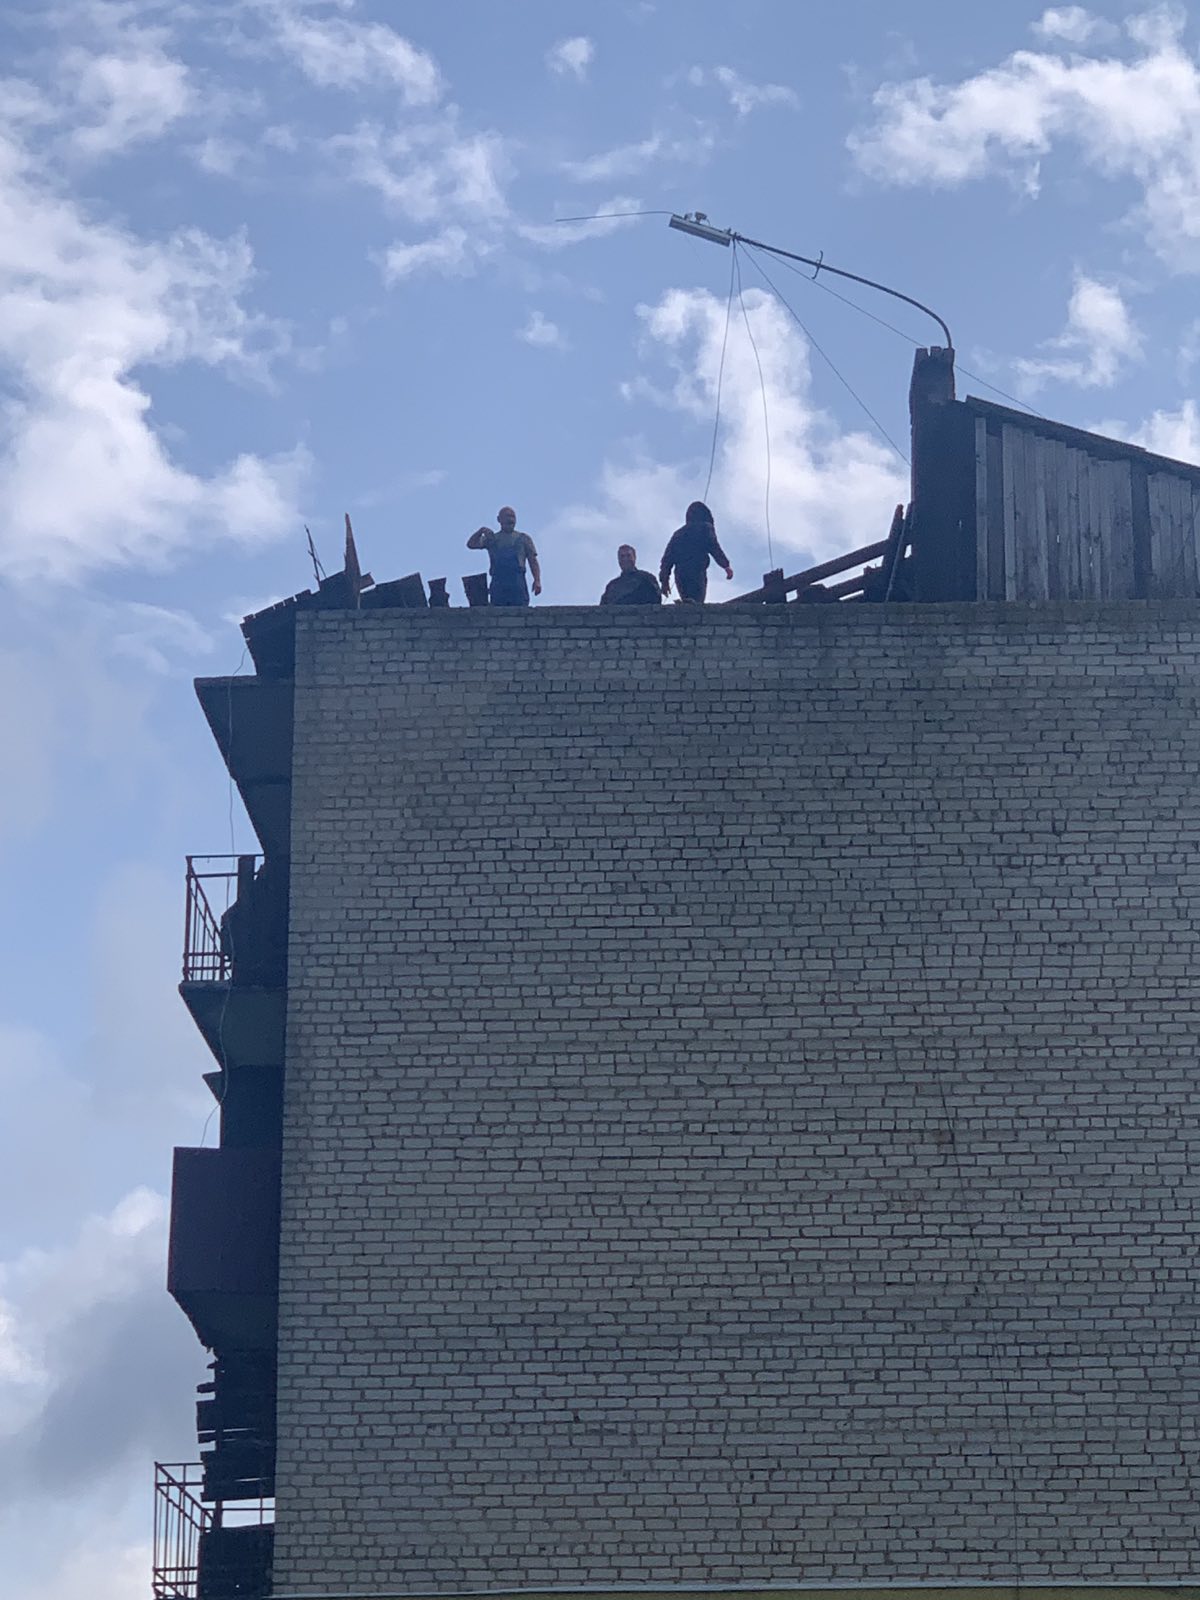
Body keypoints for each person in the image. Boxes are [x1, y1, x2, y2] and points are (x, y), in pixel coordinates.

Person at [659, 501, 733, 603]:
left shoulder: (678, 534)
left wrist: (664, 581)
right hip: (697, 570)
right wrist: (726, 566)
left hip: (681, 573)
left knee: (688, 599)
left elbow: (667, 560)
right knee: (697, 602)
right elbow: (714, 548)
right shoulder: (705, 528)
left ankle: (686, 604)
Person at [467, 507, 542, 606]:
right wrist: (481, 531)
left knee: (520, 609)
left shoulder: (524, 539)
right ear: (499, 519)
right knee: (498, 610)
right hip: (499, 582)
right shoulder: (492, 539)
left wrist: (537, 580)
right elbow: (471, 544)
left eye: (513, 517)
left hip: (517, 582)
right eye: (507, 516)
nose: (511, 519)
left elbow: (533, 561)